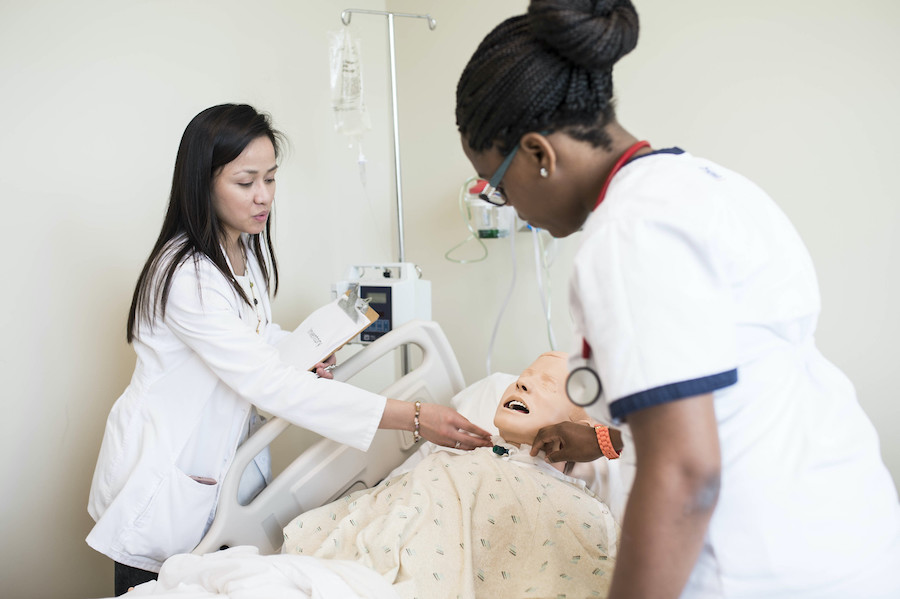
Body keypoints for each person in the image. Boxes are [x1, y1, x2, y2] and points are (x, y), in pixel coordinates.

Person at [455, 2, 900, 598]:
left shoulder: (628, 238)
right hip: (842, 523)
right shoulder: (701, 184)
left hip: (762, 564)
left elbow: (687, 474)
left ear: (539, 155)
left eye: (497, 186)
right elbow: (726, 392)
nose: (508, 207)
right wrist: (604, 440)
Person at [86, 103, 492, 596]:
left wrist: (301, 349)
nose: (263, 196)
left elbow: (254, 337)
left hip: (223, 479)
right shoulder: (187, 276)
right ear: (202, 183)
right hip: (166, 488)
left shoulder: (240, 248)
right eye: (246, 182)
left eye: (271, 178)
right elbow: (267, 382)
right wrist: (414, 416)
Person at [281, 351, 620, 599]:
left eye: (547, 385)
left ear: (583, 427)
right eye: (524, 375)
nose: (522, 382)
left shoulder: (583, 508)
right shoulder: (447, 463)